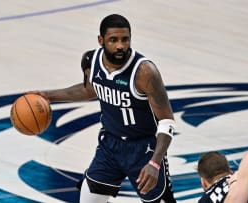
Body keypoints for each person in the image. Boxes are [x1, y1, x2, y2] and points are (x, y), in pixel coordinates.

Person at [30, 14, 177, 203]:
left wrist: (155, 163)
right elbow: (91, 89)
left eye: (125, 39)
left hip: (144, 149)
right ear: (101, 40)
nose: (120, 46)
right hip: (110, 145)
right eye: (113, 40)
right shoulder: (92, 60)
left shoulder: (145, 73)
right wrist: (49, 96)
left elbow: (167, 121)